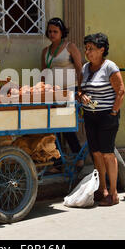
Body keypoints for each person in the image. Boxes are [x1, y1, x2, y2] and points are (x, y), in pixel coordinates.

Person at [77, 33, 125, 206]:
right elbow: (80, 90)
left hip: (107, 116)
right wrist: (81, 96)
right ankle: (101, 189)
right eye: (86, 49)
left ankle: (113, 193)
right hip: (90, 116)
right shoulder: (85, 68)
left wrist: (113, 112)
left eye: (91, 49)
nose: (87, 52)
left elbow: (120, 91)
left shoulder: (110, 67)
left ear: (102, 49)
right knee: (96, 153)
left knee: (107, 154)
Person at [41, 18, 84, 173]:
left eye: (55, 31)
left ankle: (78, 157)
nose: (52, 34)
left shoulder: (70, 47)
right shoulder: (45, 51)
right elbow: (44, 74)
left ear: (61, 33)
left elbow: (80, 69)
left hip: (70, 91)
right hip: (53, 94)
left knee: (66, 126)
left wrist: (80, 90)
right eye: (50, 31)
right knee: (53, 127)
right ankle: (58, 162)